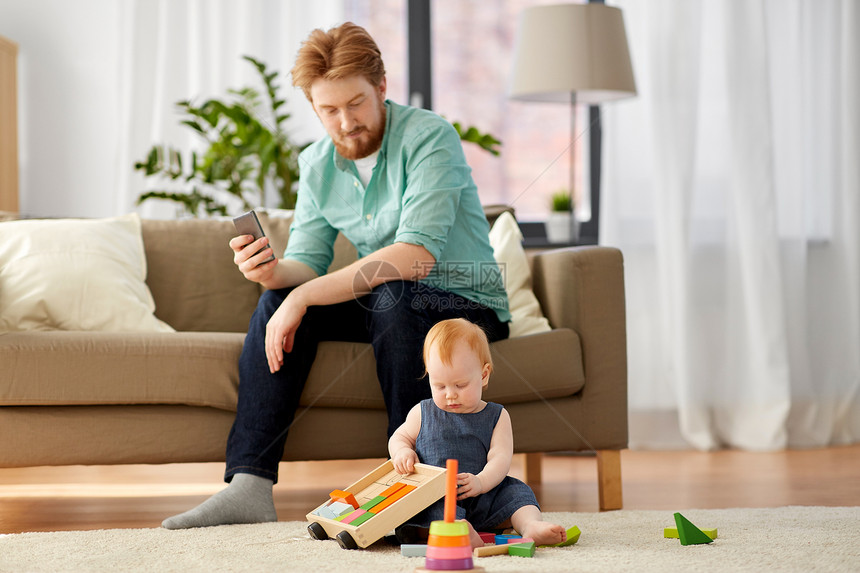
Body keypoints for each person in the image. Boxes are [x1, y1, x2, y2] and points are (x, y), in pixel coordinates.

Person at [162, 22, 510, 530]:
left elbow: (415, 258)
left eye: (356, 103)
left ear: (382, 88)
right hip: (394, 301)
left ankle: (411, 484)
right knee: (277, 300)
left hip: (462, 307)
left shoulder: (429, 137)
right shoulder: (318, 164)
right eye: (329, 110)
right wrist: (272, 273)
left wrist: (303, 295)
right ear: (313, 108)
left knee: (392, 292)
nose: (345, 122)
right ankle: (248, 487)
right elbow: (305, 261)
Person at [389, 318, 566, 548]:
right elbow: (399, 437)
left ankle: (530, 525)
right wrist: (402, 451)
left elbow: (500, 459)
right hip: (437, 495)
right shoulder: (421, 412)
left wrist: (481, 482)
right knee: (420, 515)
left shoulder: (497, 416)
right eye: (439, 386)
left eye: (460, 385)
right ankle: (458, 531)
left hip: (484, 492)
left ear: (483, 375)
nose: (450, 394)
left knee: (517, 493)